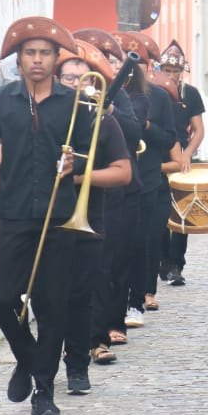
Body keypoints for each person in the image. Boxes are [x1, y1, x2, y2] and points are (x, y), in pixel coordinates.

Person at [0, 16, 92, 415]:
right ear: (18, 60)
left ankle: (44, 391)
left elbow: (91, 154)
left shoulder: (73, 103)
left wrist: (75, 163)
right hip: (16, 214)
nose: (37, 60)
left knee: (52, 306)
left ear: (56, 59)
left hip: (60, 217)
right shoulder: (2, 100)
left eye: (45, 53)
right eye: (30, 53)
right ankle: (28, 357)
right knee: (5, 299)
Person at [54, 43, 133, 397]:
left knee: (81, 295)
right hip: (45, 218)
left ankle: (76, 365)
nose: (74, 84)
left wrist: (78, 177)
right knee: (50, 297)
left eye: (79, 78)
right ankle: (45, 363)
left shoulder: (102, 119)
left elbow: (123, 172)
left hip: (89, 219)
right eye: (67, 78)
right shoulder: (44, 116)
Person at [73, 27, 144, 363]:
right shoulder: (64, 96)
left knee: (109, 263)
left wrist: (110, 110)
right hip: (71, 189)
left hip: (112, 191)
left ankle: (104, 331)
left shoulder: (117, 96)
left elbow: (134, 132)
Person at [115, 31, 176, 324]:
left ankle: (138, 298)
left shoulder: (158, 97)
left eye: (135, 62)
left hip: (147, 176)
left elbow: (169, 138)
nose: (127, 68)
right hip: (113, 178)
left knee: (143, 241)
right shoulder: (107, 93)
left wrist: (147, 127)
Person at [158, 39, 207, 286]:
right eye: (167, 70)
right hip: (158, 156)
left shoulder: (191, 94)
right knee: (159, 212)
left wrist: (187, 153)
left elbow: (198, 130)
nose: (171, 75)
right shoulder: (153, 92)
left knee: (182, 212)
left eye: (175, 71)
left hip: (182, 158)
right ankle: (162, 261)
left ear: (182, 71)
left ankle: (176, 264)